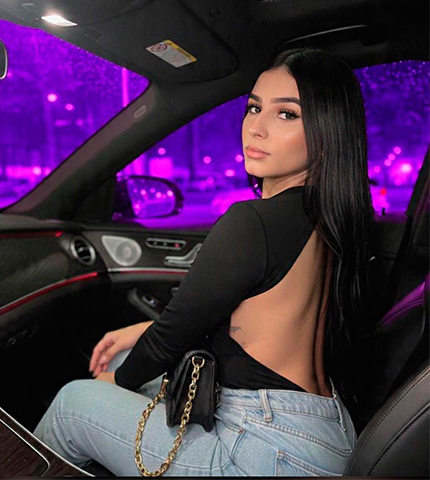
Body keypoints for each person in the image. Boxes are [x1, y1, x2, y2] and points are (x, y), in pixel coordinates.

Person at [33, 47, 375, 476]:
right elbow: (234, 325)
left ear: (327, 129)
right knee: (122, 360)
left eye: (287, 114)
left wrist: (107, 386)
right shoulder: (331, 217)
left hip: (267, 447)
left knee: (72, 404)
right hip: (325, 428)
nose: (256, 127)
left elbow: (168, 342)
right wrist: (136, 335)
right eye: (254, 108)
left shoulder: (253, 222)